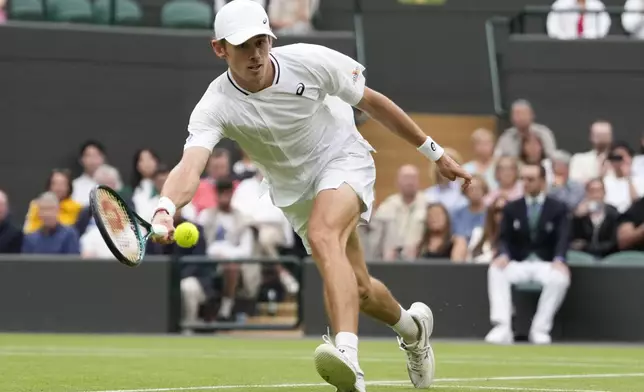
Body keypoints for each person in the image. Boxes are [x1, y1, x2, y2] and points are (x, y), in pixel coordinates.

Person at [149, 1, 471, 390]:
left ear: (271, 39)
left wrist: (435, 153)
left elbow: (373, 103)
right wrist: (166, 208)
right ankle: (413, 329)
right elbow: (191, 165)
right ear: (220, 49)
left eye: (261, 42)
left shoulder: (310, 61)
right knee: (362, 290)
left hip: (342, 158)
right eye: (243, 45)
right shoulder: (215, 104)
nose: (255, 54)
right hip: (295, 192)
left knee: (323, 234)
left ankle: (348, 357)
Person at [486, 163, 570, 345]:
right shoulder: (511, 208)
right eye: (523, 179)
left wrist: (559, 259)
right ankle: (502, 327)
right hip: (518, 263)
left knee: (560, 278)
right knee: (495, 270)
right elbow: (503, 237)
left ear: (542, 181)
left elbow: (564, 236)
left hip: (546, 263)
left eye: (530, 179)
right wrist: (503, 254)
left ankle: (540, 329)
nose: (525, 183)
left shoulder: (558, 208)